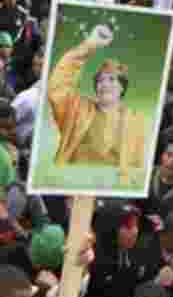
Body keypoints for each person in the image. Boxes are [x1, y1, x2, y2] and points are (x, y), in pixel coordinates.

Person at [45, 23, 150, 186]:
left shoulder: (136, 120)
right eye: (100, 80)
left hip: (112, 190)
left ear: (122, 87)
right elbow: (58, 85)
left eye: (111, 79)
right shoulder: (77, 108)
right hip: (71, 185)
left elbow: (136, 166)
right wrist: (90, 45)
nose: (104, 84)